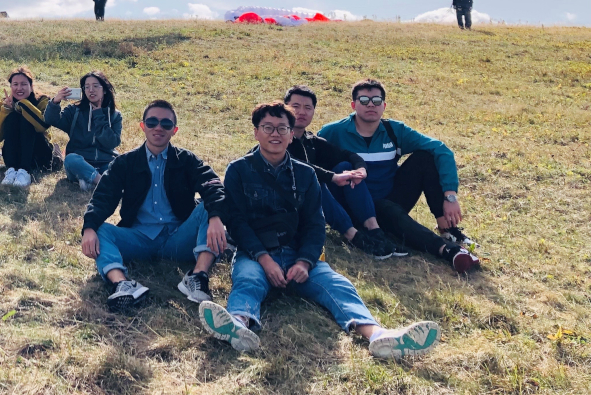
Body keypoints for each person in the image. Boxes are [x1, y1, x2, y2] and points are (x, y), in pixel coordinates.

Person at [198, 102, 441, 359]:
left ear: (292, 134)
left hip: (297, 251)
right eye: (267, 127)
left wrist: (304, 261)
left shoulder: (305, 174)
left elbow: (315, 224)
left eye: (283, 128)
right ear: (256, 132)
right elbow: (237, 222)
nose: (275, 134)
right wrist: (264, 258)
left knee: (338, 285)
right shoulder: (238, 170)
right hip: (254, 253)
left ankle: (379, 336)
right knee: (248, 280)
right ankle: (237, 324)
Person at [81, 100, 228, 311]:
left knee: (208, 206)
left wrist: (216, 218)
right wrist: (89, 227)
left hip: (178, 238)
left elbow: (213, 185)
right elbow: (103, 196)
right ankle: (122, 284)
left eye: (166, 124)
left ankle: (197, 277)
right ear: (143, 126)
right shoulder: (125, 163)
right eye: (152, 122)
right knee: (100, 230)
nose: (158, 127)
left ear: (174, 130)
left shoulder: (186, 160)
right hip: (139, 238)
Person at [319, 79, 480, 273]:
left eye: (377, 100)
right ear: (353, 105)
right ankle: (448, 250)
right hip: (354, 205)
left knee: (425, 158)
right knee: (384, 206)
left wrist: (450, 195)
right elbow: (312, 167)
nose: (371, 104)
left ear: (384, 106)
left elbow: (441, 150)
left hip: (391, 197)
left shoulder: (394, 130)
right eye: (364, 100)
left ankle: (447, 230)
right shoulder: (333, 132)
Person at [283, 85, 404, 260]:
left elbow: (347, 155)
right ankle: (354, 236)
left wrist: (360, 169)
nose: (301, 112)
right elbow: (294, 165)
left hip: (310, 204)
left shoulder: (311, 140)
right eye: (295, 106)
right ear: (285, 108)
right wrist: (332, 177)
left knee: (346, 166)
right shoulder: (278, 137)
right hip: (285, 204)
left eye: (307, 107)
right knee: (313, 181)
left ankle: (374, 230)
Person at [46, 70, 123, 192]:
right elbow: (51, 119)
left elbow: (111, 143)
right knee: (71, 159)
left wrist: (98, 116)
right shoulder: (75, 111)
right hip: (80, 164)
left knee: (121, 163)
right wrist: (55, 101)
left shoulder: (114, 115)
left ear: (104, 89)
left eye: (95, 86)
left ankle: (89, 180)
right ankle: (102, 182)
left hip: (105, 162)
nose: (91, 90)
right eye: (87, 87)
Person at [0, 66, 61, 188]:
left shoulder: (43, 100)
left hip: (39, 154)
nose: (19, 88)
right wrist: (6, 111)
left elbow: (42, 126)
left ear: (31, 86)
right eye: (15, 84)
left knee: (26, 120)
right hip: (14, 155)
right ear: (10, 86)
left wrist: (22, 105)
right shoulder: (4, 103)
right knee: (12, 118)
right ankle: (12, 170)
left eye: (24, 84)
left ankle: (25, 171)